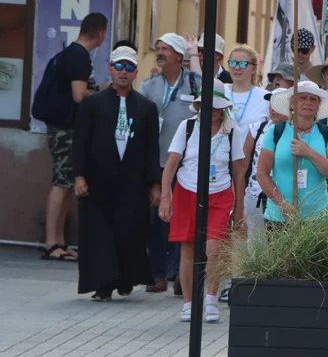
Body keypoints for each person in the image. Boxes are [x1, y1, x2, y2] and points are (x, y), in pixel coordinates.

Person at [73, 46, 159, 300]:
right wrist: (79, 175)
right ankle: (103, 283)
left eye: (129, 67)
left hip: (132, 180)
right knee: (100, 233)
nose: (123, 72)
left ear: (135, 72)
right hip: (98, 179)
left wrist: (155, 184)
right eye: (119, 66)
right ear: (110, 69)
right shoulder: (92, 103)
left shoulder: (146, 107)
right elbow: (80, 142)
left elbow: (152, 148)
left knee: (129, 231)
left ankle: (126, 279)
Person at [158, 79, 245, 323]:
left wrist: (239, 208)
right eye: (209, 106)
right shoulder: (187, 127)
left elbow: (239, 171)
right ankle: (188, 303)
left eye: (218, 107)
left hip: (220, 192)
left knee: (214, 248)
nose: (214, 111)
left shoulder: (232, 131)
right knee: (187, 247)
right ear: (199, 106)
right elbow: (171, 166)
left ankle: (210, 298)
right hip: (187, 191)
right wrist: (166, 197)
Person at [38, 12, 108, 262]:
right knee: (61, 182)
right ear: (101, 33)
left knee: (66, 183)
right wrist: (101, 96)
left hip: (62, 127)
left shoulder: (69, 53)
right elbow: (79, 95)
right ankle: (51, 242)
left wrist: (101, 88)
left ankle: (59, 241)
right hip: (65, 129)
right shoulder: (80, 56)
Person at [139, 32, 201, 294]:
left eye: (166, 49)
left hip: (187, 164)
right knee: (156, 219)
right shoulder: (149, 85)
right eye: (158, 48)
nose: (160, 53)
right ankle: (157, 274)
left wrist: (196, 53)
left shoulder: (195, 83)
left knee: (183, 218)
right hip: (157, 161)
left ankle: (179, 273)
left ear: (179, 56)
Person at [257, 82, 328, 225]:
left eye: (313, 99)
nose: (308, 102)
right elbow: (262, 174)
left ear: (318, 106)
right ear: (291, 104)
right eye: (302, 97)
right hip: (279, 216)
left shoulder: (327, 134)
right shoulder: (275, 131)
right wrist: (284, 206)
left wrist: (309, 152)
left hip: (317, 218)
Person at [241, 89, 289, 245]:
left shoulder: (298, 133)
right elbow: (242, 167)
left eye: (279, 103)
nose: (274, 108)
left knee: (281, 246)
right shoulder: (256, 129)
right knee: (256, 244)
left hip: (286, 198)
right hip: (255, 196)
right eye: (271, 103)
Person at [226, 44, 269, 133]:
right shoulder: (221, 91)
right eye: (233, 63)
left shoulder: (266, 97)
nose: (237, 68)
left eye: (243, 64)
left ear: (253, 69)